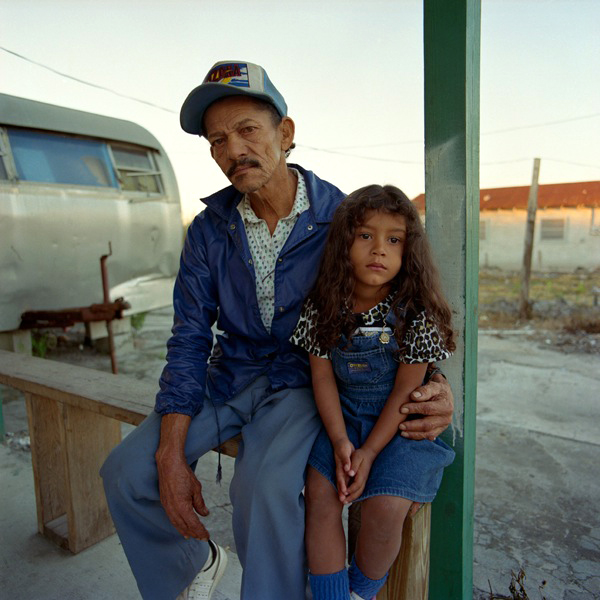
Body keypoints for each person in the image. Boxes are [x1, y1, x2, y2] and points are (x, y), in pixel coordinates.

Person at [100, 61, 455, 600]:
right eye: (217, 140)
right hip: (229, 378)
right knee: (128, 472)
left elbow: (403, 302)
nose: (233, 149)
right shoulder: (209, 231)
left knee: (264, 489)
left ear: (285, 134)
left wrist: (438, 385)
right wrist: (172, 452)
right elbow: (191, 337)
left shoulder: (342, 217)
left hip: (302, 383)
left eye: (247, 130)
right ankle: (190, 568)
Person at [291, 184, 456, 600]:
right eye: (365, 235)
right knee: (321, 495)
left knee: (385, 507)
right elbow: (323, 378)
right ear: (344, 241)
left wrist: (369, 452)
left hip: (401, 426)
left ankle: (359, 592)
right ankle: (328, 596)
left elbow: (407, 390)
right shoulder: (323, 305)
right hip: (343, 419)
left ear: (407, 251)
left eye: (393, 240)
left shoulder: (415, 313)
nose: (379, 249)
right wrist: (342, 441)